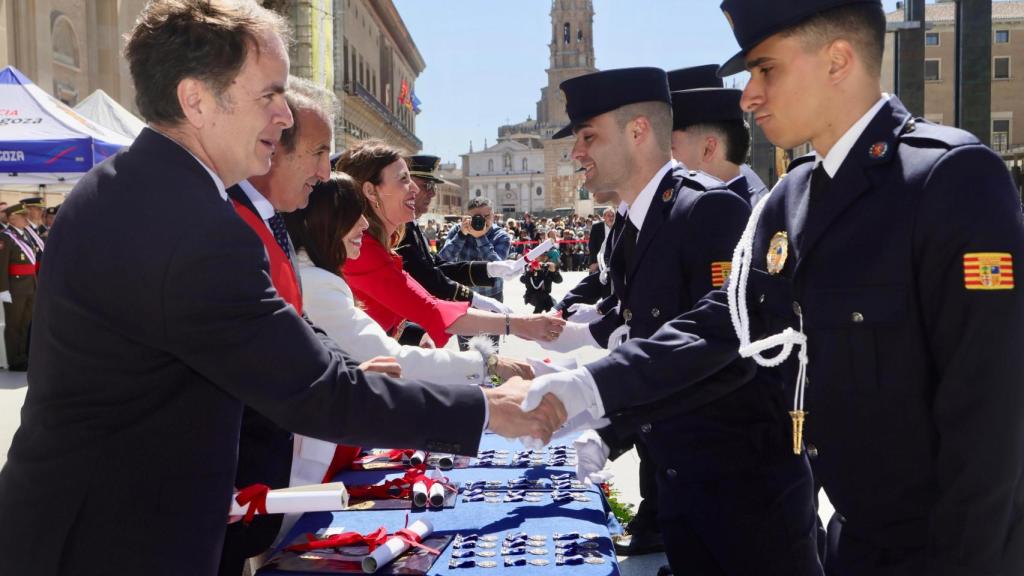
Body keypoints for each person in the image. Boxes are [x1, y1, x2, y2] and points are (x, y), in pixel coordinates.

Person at [0, 3, 564, 574]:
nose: (283, 118)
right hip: (115, 543)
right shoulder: (194, 225)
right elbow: (314, 391)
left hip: (81, 523)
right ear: (196, 100)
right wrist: (484, 407)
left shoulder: (131, 187)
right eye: (269, 96)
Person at [524, 1, 1024, 574]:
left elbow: (991, 423)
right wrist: (586, 388)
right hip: (855, 542)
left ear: (837, 60)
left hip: (946, 551)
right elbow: (724, 324)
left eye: (767, 70)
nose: (748, 96)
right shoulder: (794, 197)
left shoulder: (949, 178)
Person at [530, 66, 821, 574]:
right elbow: (652, 346)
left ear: (638, 131)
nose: (577, 153)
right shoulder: (630, 229)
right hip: (682, 486)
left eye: (588, 137)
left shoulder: (708, 211)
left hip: (746, 496)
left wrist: (597, 401)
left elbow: (722, 350)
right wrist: (610, 430)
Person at [286, 173, 534, 487]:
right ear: (325, 222)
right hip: (318, 455)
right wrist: (487, 365)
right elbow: (390, 357)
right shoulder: (319, 282)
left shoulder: (322, 274)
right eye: (353, 215)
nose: (364, 224)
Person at [217, 74, 335, 576]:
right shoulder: (230, 224)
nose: (327, 173)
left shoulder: (267, 219)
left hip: (255, 474)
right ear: (274, 151)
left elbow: (297, 323)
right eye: (318, 153)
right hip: (226, 480)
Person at [335, 140, 564, 348]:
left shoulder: (377, 242)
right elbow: (430, 307)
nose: (414, 188)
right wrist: (519, 324)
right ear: (370, 191)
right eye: (404, 179)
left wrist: (414, 335)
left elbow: (413, 298)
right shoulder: (363, 248)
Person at [395, 154, 520, 314]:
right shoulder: (400, 226)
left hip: (486, 294)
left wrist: (491, 268)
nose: (433, 194)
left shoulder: (411, 224)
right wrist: (474, 298)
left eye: (433, 187)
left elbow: (434, 267)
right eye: (427, 186)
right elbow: (430, 272)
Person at [438, 197, 513, 350]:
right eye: (477, 217)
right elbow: (442, 260)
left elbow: (498, 268)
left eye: (487, 216)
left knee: (490, 350)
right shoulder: (458, 231)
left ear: (493, 215)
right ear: (467, 217)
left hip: (491, 297)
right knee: (467, 349)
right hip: (464, 297)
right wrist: (461, 236)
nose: (483, 221)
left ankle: (491, 374)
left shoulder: (501, 236)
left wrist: (481, 238)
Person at [0, 203, 37, 371]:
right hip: (14, 289)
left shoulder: (25, 236)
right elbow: (2, 266)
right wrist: (3, 290)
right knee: (14, 325)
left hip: (29, 286)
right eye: (23, 216)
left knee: (25, 324)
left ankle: (22, 356)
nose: (26, 218)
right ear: (13, 218)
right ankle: (14, 361)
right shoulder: (5, 237)